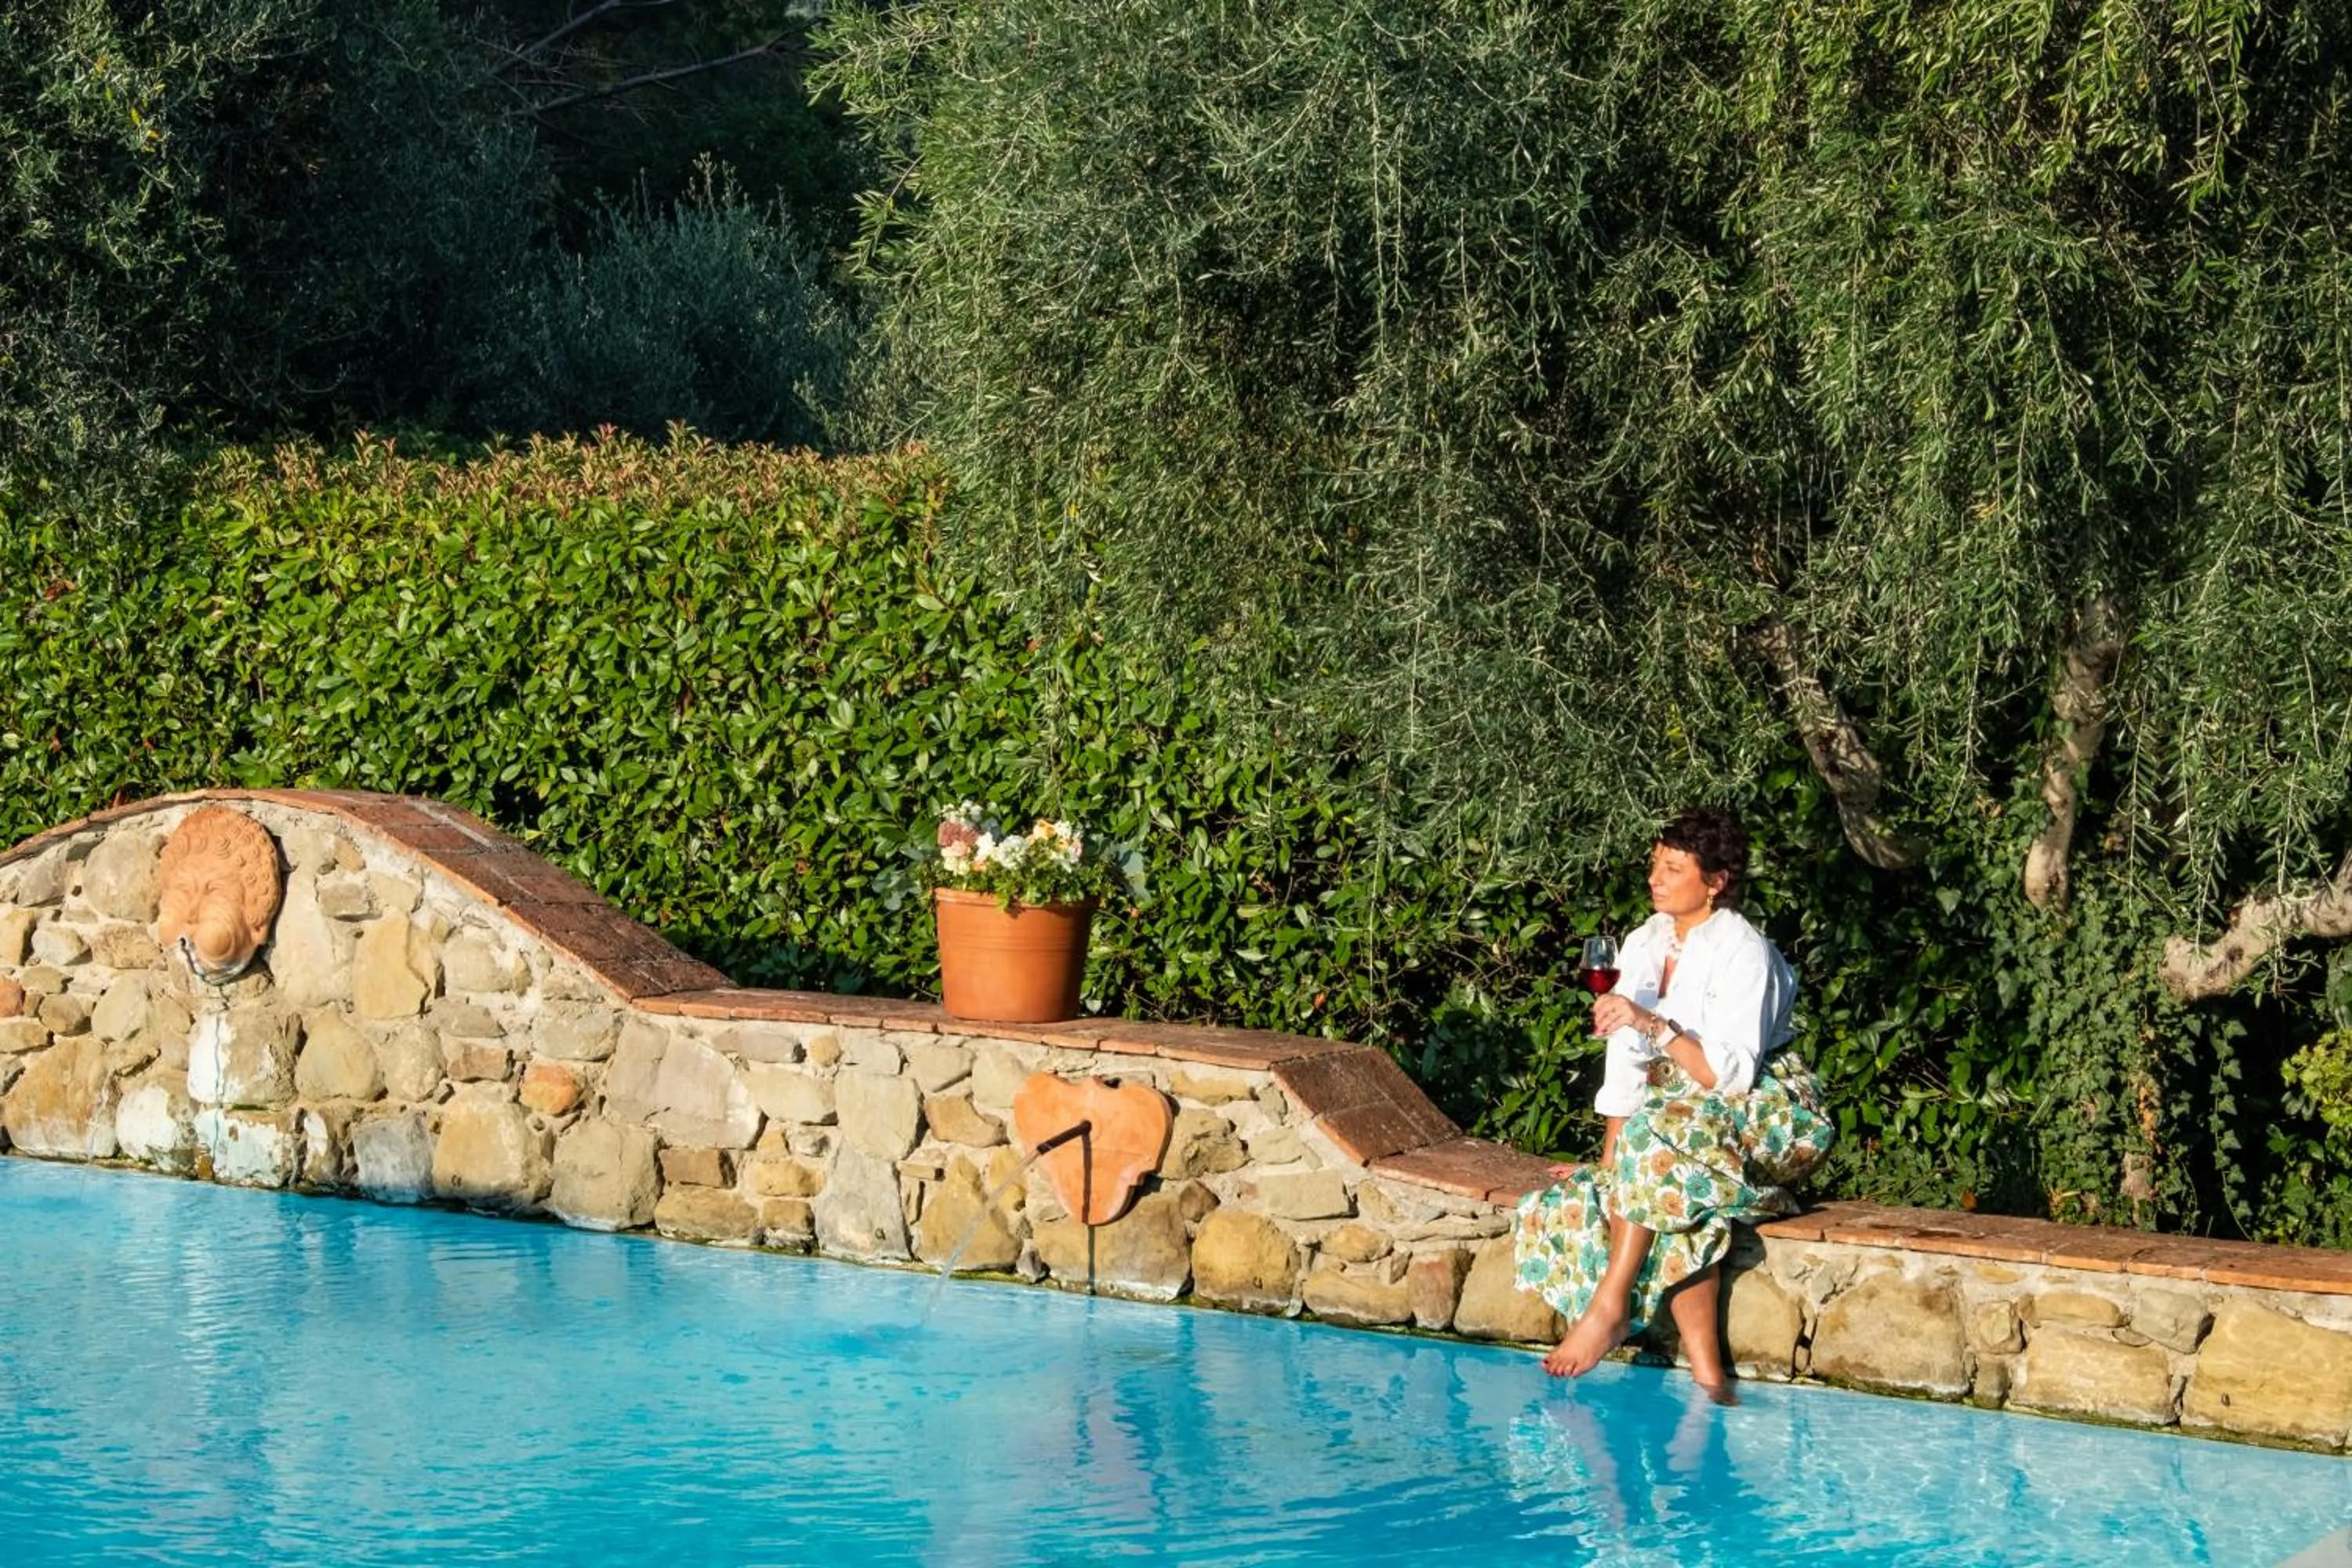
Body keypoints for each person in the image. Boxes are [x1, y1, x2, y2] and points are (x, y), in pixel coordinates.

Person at [1512, 807, 1833, 1403]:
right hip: (1677, 1121)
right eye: (1655, 864)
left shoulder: (1745, 951)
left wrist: (1651, 1024)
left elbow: (1727, 1076)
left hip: (1767, 1111)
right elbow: (1626, 1060)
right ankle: (1711, 1380)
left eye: (1673, 867)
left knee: (1659, 1146)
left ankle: (1610, 1305)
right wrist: (1612, 1159)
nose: (1655, 878)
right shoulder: (1644, 940)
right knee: (1651, 1191)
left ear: (1716, 881)